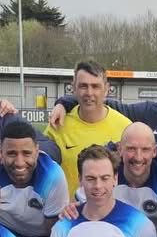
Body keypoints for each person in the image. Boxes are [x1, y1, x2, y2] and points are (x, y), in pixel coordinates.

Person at [64, 123, 157, 237]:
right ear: (119, 149)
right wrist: (72, 210)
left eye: (145, 149)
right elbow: (79, 209)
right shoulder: (105, 174)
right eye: (131, 149)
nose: (138, 157)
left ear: (154, 151)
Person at [45, 61, 133, 195]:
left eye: (95, 86)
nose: (89, 92)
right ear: (73, 88)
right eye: (83, 86)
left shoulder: (125, 128)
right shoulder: (58, 125)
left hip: (112, 208)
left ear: (106, 89)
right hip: (68, 207)